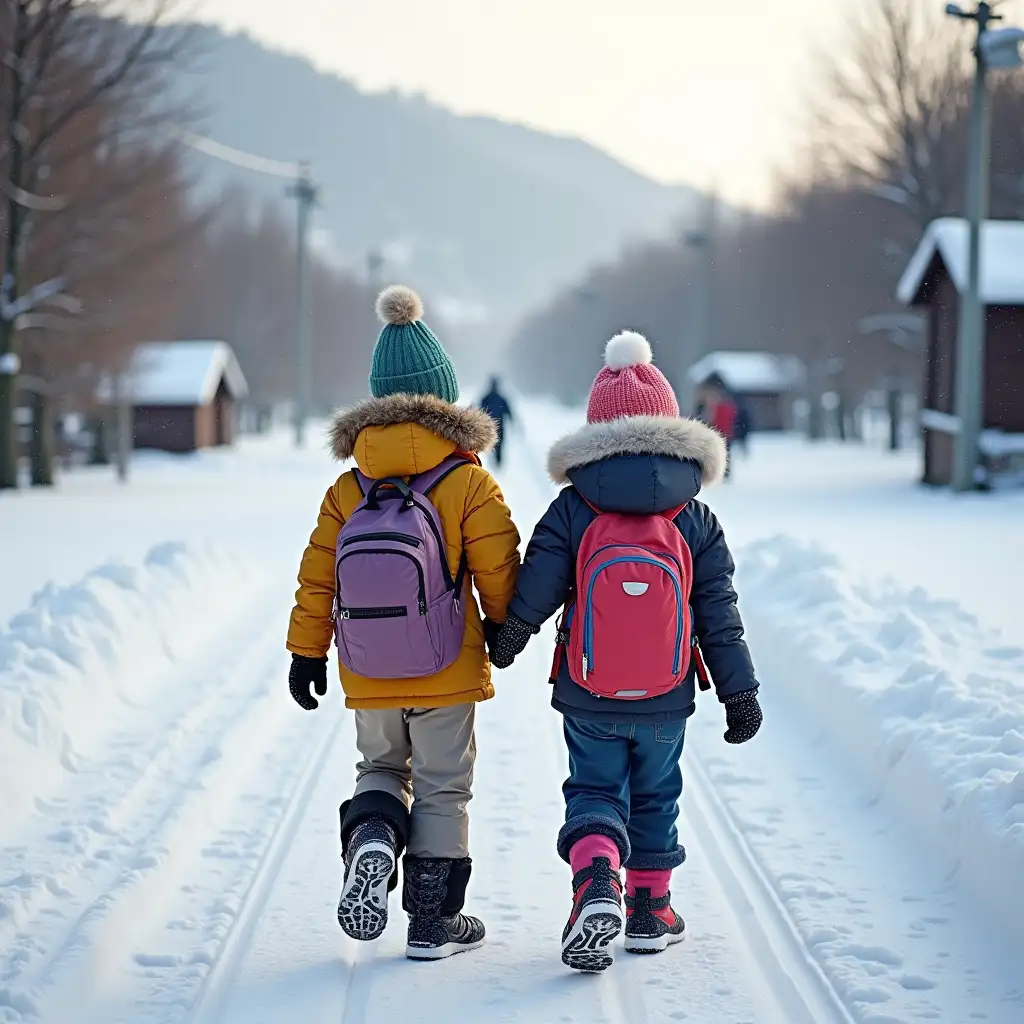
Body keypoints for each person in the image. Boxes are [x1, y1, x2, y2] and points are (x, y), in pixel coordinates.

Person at [488, 330, 761, 972]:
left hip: (588, 688)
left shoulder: (575, 505)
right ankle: (648, 909)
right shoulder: (693, 516)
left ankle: (596, 879)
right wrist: (737, 690)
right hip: (666, 695)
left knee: (594, 789)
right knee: (656, 796)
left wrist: (512, 634)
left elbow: (540, 581)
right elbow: (717, 611)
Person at [286, 285, 521, 961]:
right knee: (445, 787)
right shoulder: (467, 482)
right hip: (446, 666)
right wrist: (506, 630)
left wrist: (307, 654)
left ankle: (373, 839)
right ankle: (431, 922)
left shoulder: (348, 488)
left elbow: (318, 577)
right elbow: (499, 566)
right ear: (445, 397)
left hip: (368, 663)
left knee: (381, 767)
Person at [479, 377, 513, 467]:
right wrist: (511, 421)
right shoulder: (501, 399)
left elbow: (480, 411)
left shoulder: (485, 398)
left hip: (489, 426)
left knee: (491, 444)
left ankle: (494, 462)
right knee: (499, 444)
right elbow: (508, 412)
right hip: (499, 425)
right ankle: (498, 462)